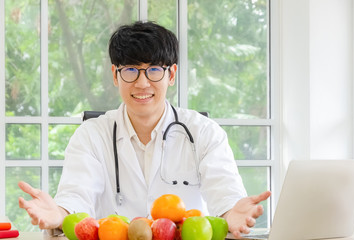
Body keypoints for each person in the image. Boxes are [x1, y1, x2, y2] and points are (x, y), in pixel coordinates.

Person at [18, 21, 270, 238]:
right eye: (130, 70)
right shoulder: (91, 136)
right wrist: (59, 214)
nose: (142, 82)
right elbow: (75, 198)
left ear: (171, 74)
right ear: (115, 76)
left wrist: (233, 213)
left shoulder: (204, 133)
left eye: (154, 70)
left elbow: (225, 195)